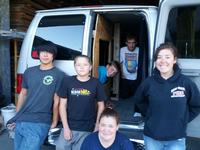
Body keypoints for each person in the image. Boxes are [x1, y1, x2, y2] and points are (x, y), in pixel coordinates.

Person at [134, 42, 200, 150]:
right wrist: (150, 115)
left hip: (176, 139)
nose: (163, 61)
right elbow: (139, 100)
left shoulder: (186, 83)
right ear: (155, 61)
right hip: (152, 138)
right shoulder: (148, 83)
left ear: (174, 60)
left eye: (167, 57)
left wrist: (183, 119)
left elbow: (196, 105)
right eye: (159, 57)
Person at [7, 41, 65, 150]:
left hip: (39, 121)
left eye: (49, 52)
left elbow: (57, 101)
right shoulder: (29, 71)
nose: (45, 55)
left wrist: (54, 121)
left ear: (53, 55)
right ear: (38, 54)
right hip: (22, 120)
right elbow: (22, 94)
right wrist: (17, 117)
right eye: (43, 51)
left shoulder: (59, 75)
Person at [56, 55, 107, 150]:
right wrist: (65, 127)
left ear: (90, 67)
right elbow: (62, 105)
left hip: (87, 128)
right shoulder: (67, 81)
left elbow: (101, 105)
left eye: (85, 65)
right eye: (78, 65)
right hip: (69, 126)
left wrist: (97, 125)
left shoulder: (96, 83)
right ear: (74, 67)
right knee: (60, 147)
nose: (82, 67)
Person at [119, 34, 142, 119]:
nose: (131, 45)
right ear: (126, 43)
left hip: (136, 77)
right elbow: (121, 62)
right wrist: (122, 73)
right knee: (124, 96)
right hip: (125, 76)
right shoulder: (122, 50)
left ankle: (137, 111)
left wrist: (139, 75)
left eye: (133, 43)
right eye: (129, 43)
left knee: (137, 95)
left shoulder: (139, 50)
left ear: (136, 43)